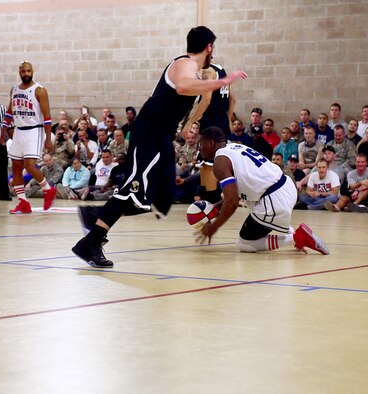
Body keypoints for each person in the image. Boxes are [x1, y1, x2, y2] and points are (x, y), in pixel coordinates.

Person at [72, 26, 248, 268]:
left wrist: (188, 122)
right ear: (209, 48)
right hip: (150, 132)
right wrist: (224, 81)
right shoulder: (183, 63)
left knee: (160, 201)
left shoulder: (195, 72)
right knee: (134, 190)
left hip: (161, 136)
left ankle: (95, 216)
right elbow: (183, 87)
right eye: (213, 49)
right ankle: (91, 241)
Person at [194, 126, 328, 254]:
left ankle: (297, 238)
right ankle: (296, 234)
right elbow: (239, 193)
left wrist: (214, 227)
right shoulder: (235, 147)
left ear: (211, 143)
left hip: (273, 198)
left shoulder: (220, 163)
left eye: (201, 144)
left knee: (244, 243)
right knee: (253, 204)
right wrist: (215, 208)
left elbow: (232, 201)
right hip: (285, 185)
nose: (199, 148)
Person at [2, 61, 57, 214]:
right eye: (23, 71)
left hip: (34, 130)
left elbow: (47, 117)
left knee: (30, 166)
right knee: (16, 167)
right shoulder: (14, 89)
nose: (26, 73)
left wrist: (47, 139)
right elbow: (9, 112)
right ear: (19, 72)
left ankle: (48, 190)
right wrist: (3, 132)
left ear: (32, 71)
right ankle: (23, 202)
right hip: (19, 130)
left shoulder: (39, 90)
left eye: (28, 71)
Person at [182, 62, 234, 139]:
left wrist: (190, 122)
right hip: (223, 119)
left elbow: (206, 100)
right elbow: (232, 98)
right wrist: (228, 118)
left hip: (211, 120)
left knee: (208, 149)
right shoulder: (222, 70)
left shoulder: (208, 71)